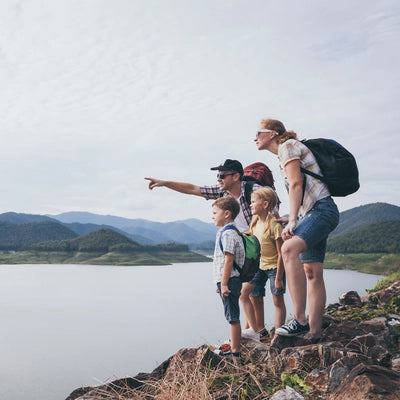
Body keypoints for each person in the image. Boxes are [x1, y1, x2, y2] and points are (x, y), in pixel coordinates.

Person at [254, 118, 339, 341]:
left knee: (289, 249)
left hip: (321, 210)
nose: (255, 137)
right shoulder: (286, 150)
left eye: (258, 133)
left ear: (272, 133)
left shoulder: (288, 146)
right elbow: (300, 191)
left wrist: (292, 221)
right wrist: (293, 217)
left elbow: (296, 184)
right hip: (313, 213)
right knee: (312, 272)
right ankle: (314, 332)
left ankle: (299, 320)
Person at [145, 159, 262, 232]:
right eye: (217, 175)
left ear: (236, 177)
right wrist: (165, 183)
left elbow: (271, 218)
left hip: (261, 246)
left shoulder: (255, 191)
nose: (218, 179)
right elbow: (192, 189)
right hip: (244, 246)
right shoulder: (222, 192)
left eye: (222, 176)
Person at [241, 187, 287, 341]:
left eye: (253, 202)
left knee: (277, 300)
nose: (250, 205)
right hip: (258, 267)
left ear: (265, 204)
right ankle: (258, 330)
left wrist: (279, 278)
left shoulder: (274, 225)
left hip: (275, 267)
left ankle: (279, 335)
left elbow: (281, 254)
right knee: (247, 295)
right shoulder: (254, 222)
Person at [211, 196, 245, 358]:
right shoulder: (226, 232)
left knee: (232, 317)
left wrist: (223, 284)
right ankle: (234, 347)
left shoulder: (228, 234)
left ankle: (235, 351)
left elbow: (229, 260)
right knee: (231, 314)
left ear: (226, 214)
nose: (212, 216)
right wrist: (220, 284)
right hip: (227, 280)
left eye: (215, 212)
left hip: (230, 280)